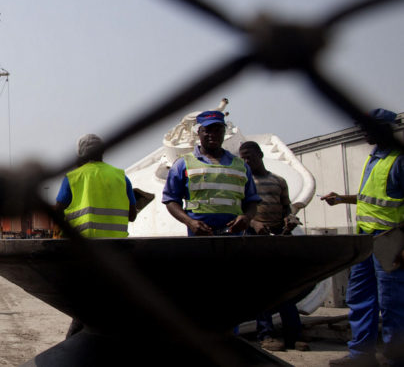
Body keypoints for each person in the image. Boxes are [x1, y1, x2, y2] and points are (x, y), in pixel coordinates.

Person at [321, 108, 404, 367]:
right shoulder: (375, 157)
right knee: (360, 298)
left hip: (391, 240)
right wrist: (342, 199)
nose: (363, 131)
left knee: (393, 303)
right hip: (366, 240)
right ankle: (361, 355)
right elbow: (374, 198)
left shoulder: (398, 160)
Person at [54, 133, 138, 337]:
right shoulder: (120, 176)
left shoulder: (73, 177)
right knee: (109, 299)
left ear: (80, 154)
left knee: (85, 302)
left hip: (85, 249)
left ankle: (74, 343)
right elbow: (132, 215)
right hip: (117, 250)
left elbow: (56, 212)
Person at [240, 140, 308, 352]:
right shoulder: (242, 184)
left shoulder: (279, 181)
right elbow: (238, 212)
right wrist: (253, 222)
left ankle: (293, 336)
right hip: (253, 237)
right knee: (261, 289)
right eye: (243, 157)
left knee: (285, 288)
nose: (246, 160)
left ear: (260, 155)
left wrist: (290, 219)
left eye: (250, 156)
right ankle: (266, 335)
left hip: (278, 236)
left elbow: (287, 207)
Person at [163, 110, 260, 236]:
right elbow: (171, 200)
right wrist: (190, 222)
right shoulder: (182, 164)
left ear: (224, 132)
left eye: (218, 130)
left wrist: (246, 218)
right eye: (207, 130)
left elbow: (252, 201)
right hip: (199, 238)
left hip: (234, 237)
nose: (212, 135)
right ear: (199, 132)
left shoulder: (241, 166)